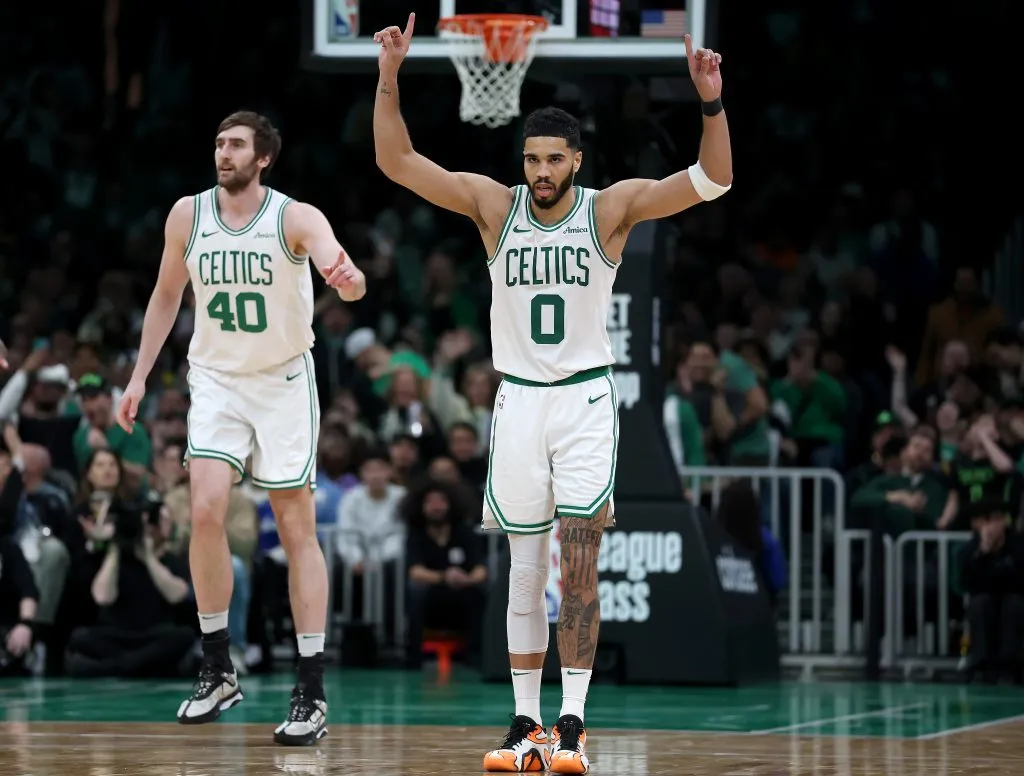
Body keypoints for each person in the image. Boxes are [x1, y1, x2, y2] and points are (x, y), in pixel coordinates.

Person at [372, 14, 732, 774]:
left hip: (584, 400)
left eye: (552, 160)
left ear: (576, 160)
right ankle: (524, 723)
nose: (539, 171)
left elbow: (712, 181)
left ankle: (572, 723)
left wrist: (710, 103)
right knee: (523, 568)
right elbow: (398, 161)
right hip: (517, 401)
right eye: (531, 158)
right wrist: (389, 75)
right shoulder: (494, 207)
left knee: (578, 560)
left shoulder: (608, 208)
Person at [115, 111, 366, 746]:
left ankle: (311, 689)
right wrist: (140, 376)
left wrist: (348, 277)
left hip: (282, 383)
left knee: (293, 525)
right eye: (218, 142)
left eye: (235, 145)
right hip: (217, 380)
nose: (222, 153)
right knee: (204, 510)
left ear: (263, 159)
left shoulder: (293, 217)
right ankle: (218, 665)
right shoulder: (186, 214)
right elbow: (167, 296)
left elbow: (345, 269)